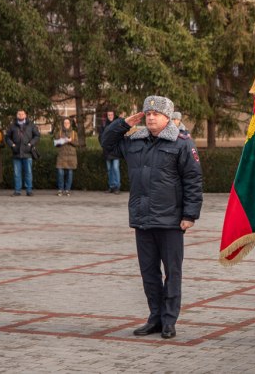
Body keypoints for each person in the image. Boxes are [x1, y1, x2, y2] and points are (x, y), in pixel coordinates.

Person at [102, 96, 203, 340]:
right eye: (147, 114)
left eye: (155, 114)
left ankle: (169, 321)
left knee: (172, 272)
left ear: (168, 117)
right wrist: (124, 123)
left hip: (171, 220)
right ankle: (155, 318)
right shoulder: (135, 141)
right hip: (143, 218)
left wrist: (190, 215)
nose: (150, 118)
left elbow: (193, 180)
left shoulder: (182, 143)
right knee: (149, 273)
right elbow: (107, 143)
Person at [5, 110, 40, 196]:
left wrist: (30, 144)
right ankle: (17, 191)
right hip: (16, 152)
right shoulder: (12, 126)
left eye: (22, 114)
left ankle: (29, 190)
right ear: (17, 115)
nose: (21, 115)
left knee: (28, 173)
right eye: (19, 114)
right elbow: (7, 137)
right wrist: (12, 145)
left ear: (25, 115)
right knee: (17, 173)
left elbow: (37, 136)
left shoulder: (31, 125)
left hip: (27, 152)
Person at [54, 117, 78, 196]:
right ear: (63, 124)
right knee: (60, 173)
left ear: (70, 124)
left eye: (68, 123)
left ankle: (67, 189)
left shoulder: (74, 133)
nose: (66, 124)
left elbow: (77, 144)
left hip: (71, 156)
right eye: (65, 123)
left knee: (69, 173)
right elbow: (55, 144)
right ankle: (60, 189)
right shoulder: (59, 132)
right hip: (61, 156)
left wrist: (71, 141)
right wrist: (62, 140)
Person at [98, 110, 121, 194]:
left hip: (115, 151)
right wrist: (103, 144)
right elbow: (100, 137)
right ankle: (111, 187)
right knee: (109, 169)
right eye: (108, 115)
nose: (110, 116)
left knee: (115, 168)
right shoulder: (103, 125)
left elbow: (120, 136)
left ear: (114, 115)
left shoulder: (118, 124)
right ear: (107, 116)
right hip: (107, 151)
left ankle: (117, 187)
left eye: (111, 114)